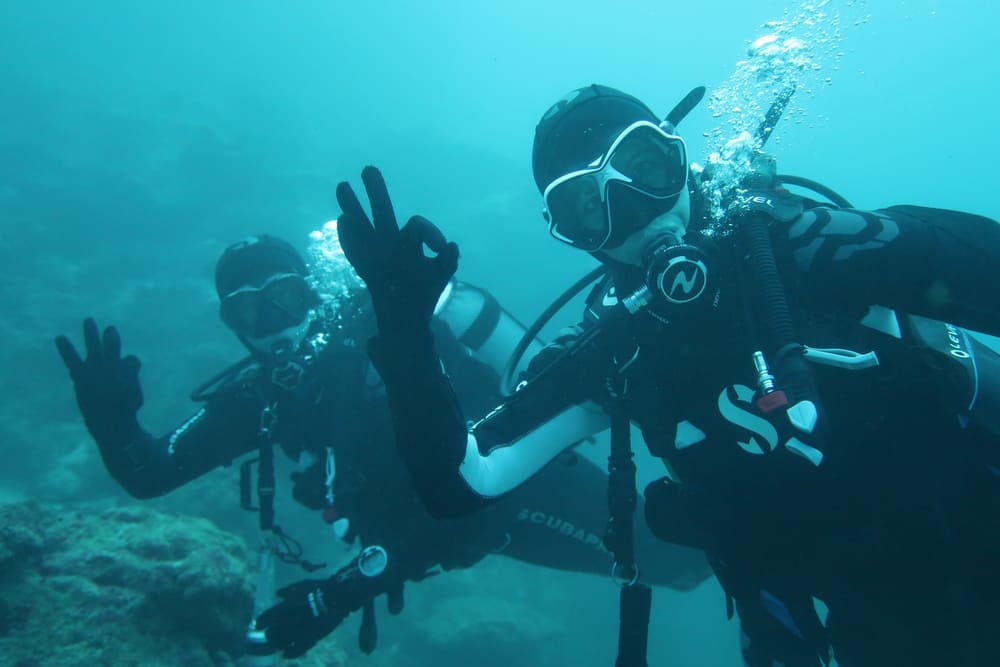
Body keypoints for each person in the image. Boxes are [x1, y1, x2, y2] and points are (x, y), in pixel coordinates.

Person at [333, 84, 1000, 667]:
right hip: (886, 626)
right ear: (571, 234)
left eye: (644, 166)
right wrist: (405, 337)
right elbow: (463, 481)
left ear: (679, 159)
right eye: (588, 208)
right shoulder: (615, 350)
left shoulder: (814, 247)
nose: (635, 211)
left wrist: (867, 239)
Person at [55, 231, 708, 660]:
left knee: (683, 560)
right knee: (678, 563)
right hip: (435, 536)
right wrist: (113, 427)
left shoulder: (386, 345)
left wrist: (340, 592)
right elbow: (150, 473)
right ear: (234, 328)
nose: (275, 326)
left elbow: (478, 500)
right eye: (250, 314)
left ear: (314, 292)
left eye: (284, 298)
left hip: (524, 483)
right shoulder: (265, 393)